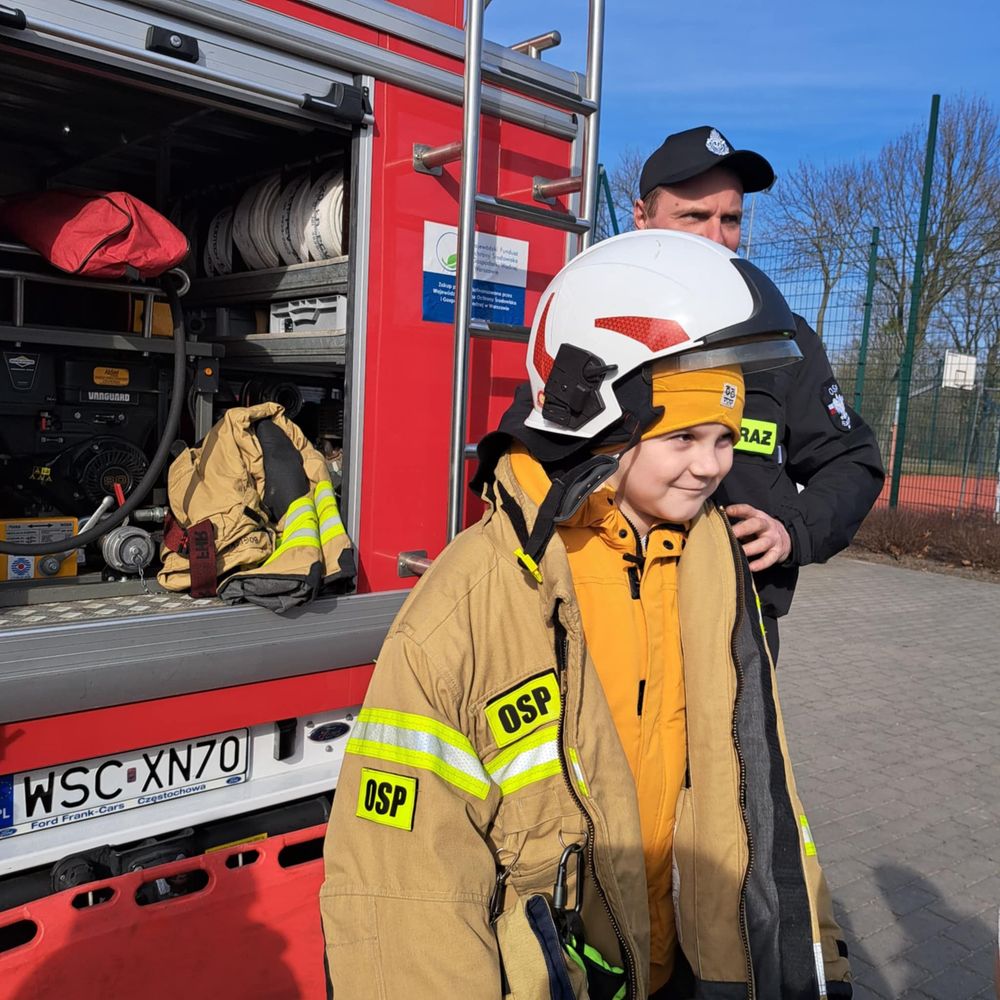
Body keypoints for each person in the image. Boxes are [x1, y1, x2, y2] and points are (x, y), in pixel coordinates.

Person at [320, 230, 852, 999]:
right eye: (683, 437)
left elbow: (762, 791)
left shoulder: (711, 567)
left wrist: (815, 953)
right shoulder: (477, 600)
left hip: (687, 970)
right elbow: (407, 886)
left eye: (725, 439)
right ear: (603, 417)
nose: (711, 466)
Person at [634, 125, 885, 661]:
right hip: (611, 613)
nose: (715, 237)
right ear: (642, 217)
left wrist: (792, 530)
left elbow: (852, 460)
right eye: (693, 216)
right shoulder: (594, 316)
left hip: (737, 627)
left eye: (730, 219)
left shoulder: (783, 339)